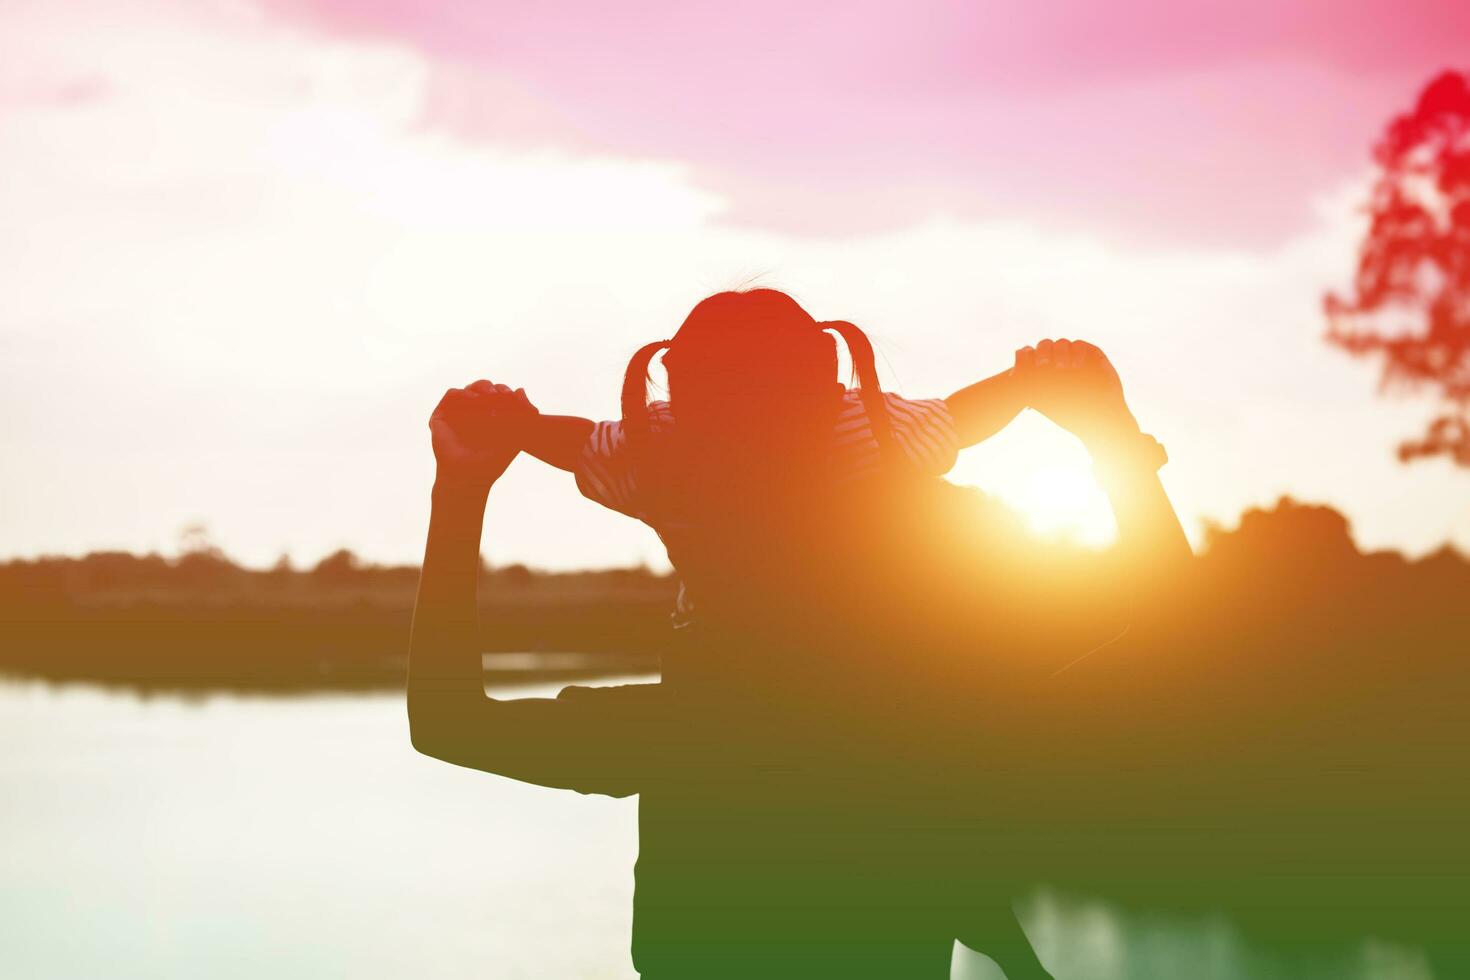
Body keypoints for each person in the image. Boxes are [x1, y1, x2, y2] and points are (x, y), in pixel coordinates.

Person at [407, 291, 1190, 978]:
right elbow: (1166, 611)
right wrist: (1110, 436)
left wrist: (463, 488)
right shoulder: (929, 717)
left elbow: (448, 722)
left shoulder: (683, 735)